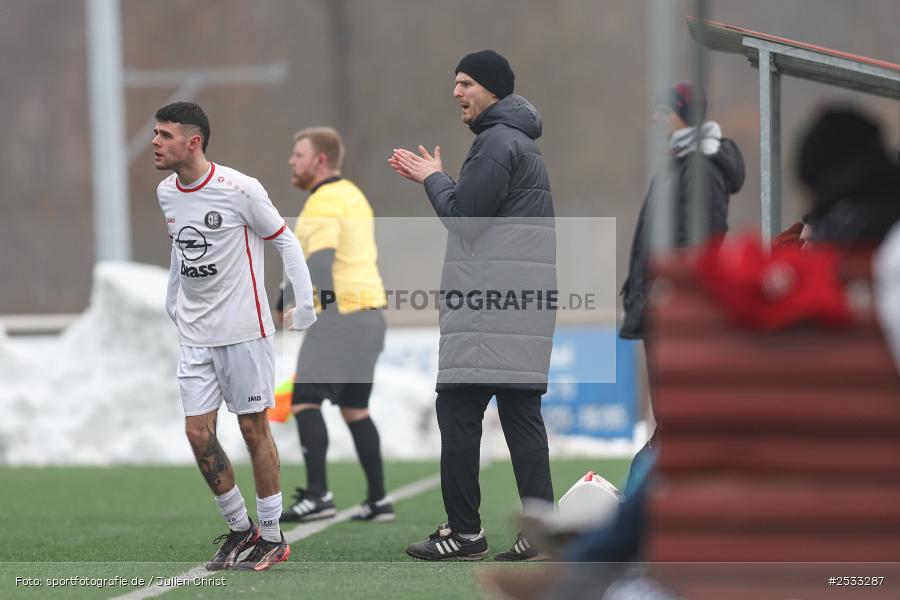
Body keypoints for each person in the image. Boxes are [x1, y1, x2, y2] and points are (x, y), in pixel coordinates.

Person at [389, 50, 556, 561]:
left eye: (465, 83)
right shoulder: (519, 143)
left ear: (493, 90)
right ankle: (542, 534)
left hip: (489, 310)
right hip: (520, 306)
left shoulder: (494, 144)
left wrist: (432, 179)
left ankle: (464, 534)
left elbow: (466, 219)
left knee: (458, 412)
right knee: (522, 419)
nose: (456, 92)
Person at [154, 102, 316, 571]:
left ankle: (272, 536)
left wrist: (302, 304)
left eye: (164, 135)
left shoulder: (240, 189)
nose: (155, 143)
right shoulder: (167, 192)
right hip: (195, 335)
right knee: (196, 432)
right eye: (156, 134)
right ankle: (241, 528)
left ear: (193, 141)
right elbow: (179, 250)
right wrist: (173, 301)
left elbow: (284, 239)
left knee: (252, 428)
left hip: (245, 331)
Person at [619, 82, 744, 492]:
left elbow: (701, 243)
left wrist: (670, 297)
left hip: (678, 316)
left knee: (677, 419)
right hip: (662, 312)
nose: (655, 119)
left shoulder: (700, 167)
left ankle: (661, 506)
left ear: (683, 115)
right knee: (669, 420)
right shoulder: (679, 163)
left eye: (662, 110)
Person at [276, 127, 393, 523]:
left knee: (304, 400)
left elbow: (322, 266)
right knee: (355, 408)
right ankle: (378, 500)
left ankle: (318, 495)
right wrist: (287, 289)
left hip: (341, 315)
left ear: (320, 160)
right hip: (371, 315)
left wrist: (305, 305)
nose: (292, 161)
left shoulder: (322, 202)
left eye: (298, 154)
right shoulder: (353, 195)